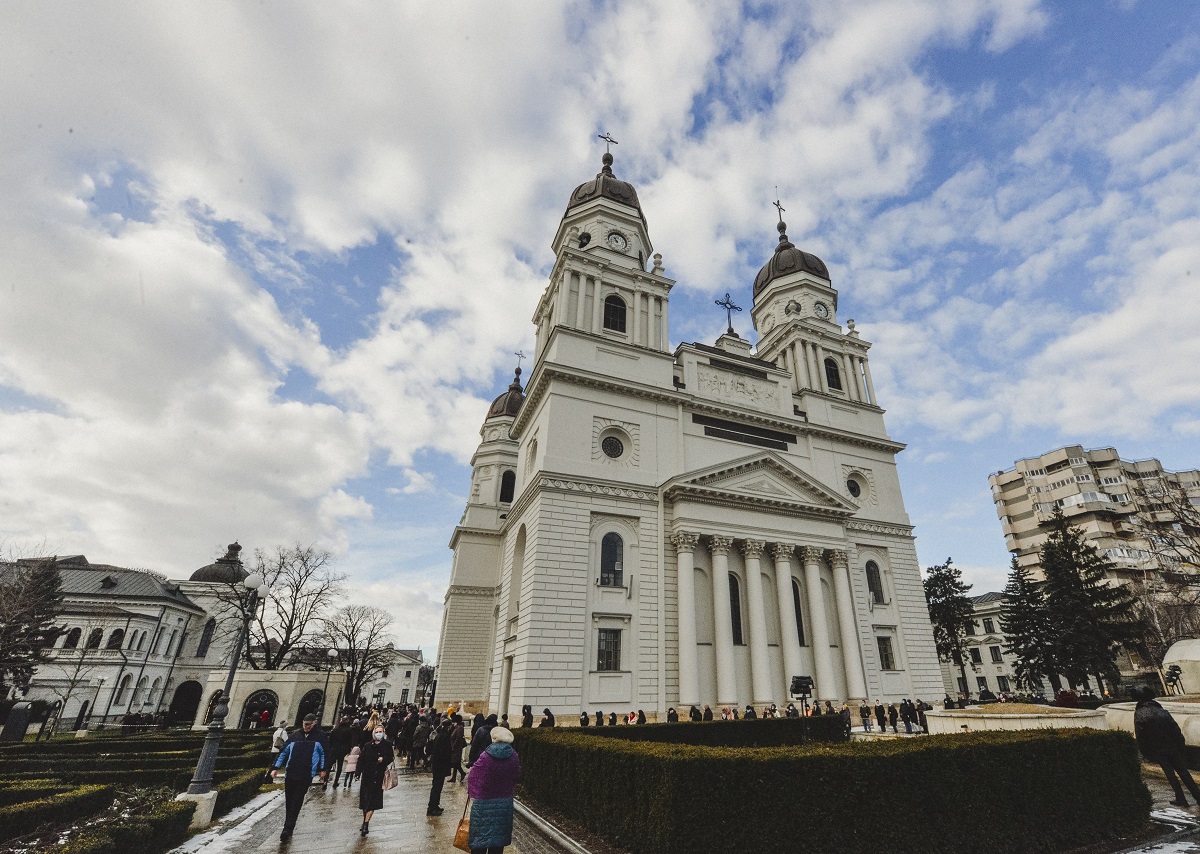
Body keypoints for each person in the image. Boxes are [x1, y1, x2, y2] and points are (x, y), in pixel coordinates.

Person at [1132, 685, 1200, 807]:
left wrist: (1146, 753)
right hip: (1173, 747)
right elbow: (1175, 729)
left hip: (1158, 749)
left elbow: (1141, 736)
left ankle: (1181, 798)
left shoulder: (1140, 714)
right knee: (1183, 771)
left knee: (1170, 774)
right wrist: (1180, 745)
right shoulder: (1162, 711)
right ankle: (1197, 796)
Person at [271, 713, 326, 842]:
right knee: (289, 800)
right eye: (304, 724)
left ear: (314, 724)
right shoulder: (295, 736)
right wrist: (275, 767)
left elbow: (324, 754)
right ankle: (288, 824)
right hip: (291, 772)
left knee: (297, 799)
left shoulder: (319, 737)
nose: (306, 726)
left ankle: (288, 828)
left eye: (309, 724)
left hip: (306, 774)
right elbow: (283, 752)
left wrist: (323, 770)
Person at [467, 726, 522, 854]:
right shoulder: (514, 756)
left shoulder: (486, 756)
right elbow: (517, 775)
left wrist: (475, 792)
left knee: (479, 840)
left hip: (483, 802)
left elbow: (473, 776)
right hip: (504, 803)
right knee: (498, 841)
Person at [357, 724, 394, 836]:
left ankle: (366, 824)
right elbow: (361, 759)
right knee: (365, 802)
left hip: (378, 778)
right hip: (367, 777)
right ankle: (365, 820)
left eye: (381, 732)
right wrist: (357, 773)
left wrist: (383, 759)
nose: (379, 734)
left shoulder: (387, 745)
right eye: (377, 731)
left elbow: (391, 757)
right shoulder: (367, 745)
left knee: (371, 802)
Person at [428, 718, 454, 815]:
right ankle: (432, 808)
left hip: (438, 766)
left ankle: (435, 805)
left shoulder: (440, 734)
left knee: (437, 787)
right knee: (437, 787)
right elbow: (444, 753)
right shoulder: (444, 736)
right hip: (440, 766)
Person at [328, 716, 355, 787]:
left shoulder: (335, 729)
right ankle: (335, 781)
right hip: (342, 751)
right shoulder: (349, 730)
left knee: (329, 765)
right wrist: (348, 750)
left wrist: (330, 748)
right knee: (339, 767)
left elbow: (330, 740)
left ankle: (325, 780)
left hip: (334, 750)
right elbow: (349, 742)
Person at [449, 713, 467, 783]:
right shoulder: (457, 727)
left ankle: (462, 773)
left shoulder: (460, 728)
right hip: (455, 747)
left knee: (456, 762)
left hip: (457, 748)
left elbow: (458, 738)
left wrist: (454, 747)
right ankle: (454, 777)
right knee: (456, 762)